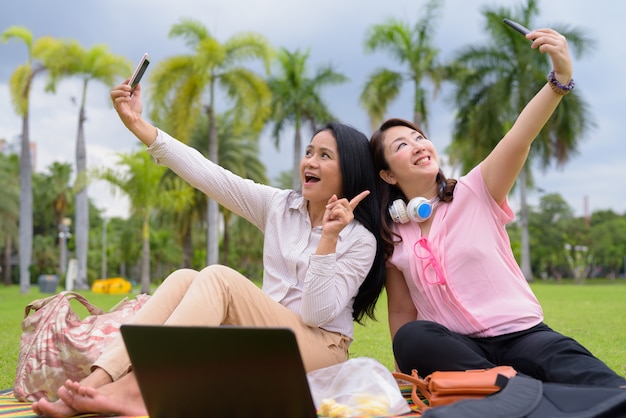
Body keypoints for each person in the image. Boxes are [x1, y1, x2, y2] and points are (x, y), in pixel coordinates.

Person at [32, 81, 386, 417]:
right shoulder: (280, 206)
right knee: (184, 277)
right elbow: (209, 174)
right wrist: (138, 124)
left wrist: (328, 239)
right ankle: (96, 383)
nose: (310, 162)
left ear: (349, 171)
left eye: (325, 156)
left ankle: (141, 389)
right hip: (268, 340)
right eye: (309, 152)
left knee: (219, 277)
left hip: (319, 350)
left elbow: (314, 315)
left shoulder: (359, 239)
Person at [369, 28, 626, 388]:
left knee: (607, 387)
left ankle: (512, 391)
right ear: (387, 174)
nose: (417, 145)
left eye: (419, 137)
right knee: (413, 337)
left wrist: (559, 81)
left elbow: (519, 138)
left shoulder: (476, 190)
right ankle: (520, 390)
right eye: (401, 145)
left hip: (522, 335)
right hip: (456, 349)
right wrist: (407, 378)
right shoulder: (393, 235)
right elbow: (401, 310)